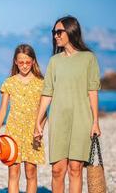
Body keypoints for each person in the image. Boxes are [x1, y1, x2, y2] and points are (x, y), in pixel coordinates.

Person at [34, 15, 101, 193]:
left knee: (75, 169)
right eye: (54, 32)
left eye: (59, 32)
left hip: (82, 120)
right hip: (58, 120)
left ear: (71, 31)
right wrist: (37, 122)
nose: (55, 36)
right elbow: (47, 92)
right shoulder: (54, 61)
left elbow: (92, 91)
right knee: (57, 170)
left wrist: (95, 122)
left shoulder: (88, 58)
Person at [0, 44, 46, 193]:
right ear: (15, 62)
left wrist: (39, 129)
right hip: (13, 132)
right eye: (21, 62)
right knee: (13, 173)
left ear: (33, 62)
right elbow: (3, 109)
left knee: (31, 172)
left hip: (32, 133)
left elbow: (44, 111)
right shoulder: (9, 83)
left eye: (27, 62)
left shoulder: (41, 83)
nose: (24, 66)